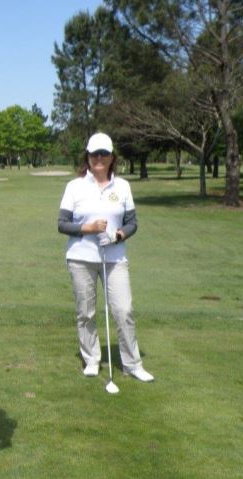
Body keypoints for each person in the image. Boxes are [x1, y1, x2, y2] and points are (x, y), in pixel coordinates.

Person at [57, 133, 154, 383]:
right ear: (87, 157)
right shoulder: (74, 187)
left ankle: (132, 363)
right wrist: (87, 228)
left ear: (112, 157)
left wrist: (118, 235)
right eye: (94, 154)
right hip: (81, 257)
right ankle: (91, 359)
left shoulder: (122, 186)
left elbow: (132, 223)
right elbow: (62, 224)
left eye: (104, 154)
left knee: (124, 310)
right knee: (86, 312)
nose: (99, 158)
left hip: (114, 257)